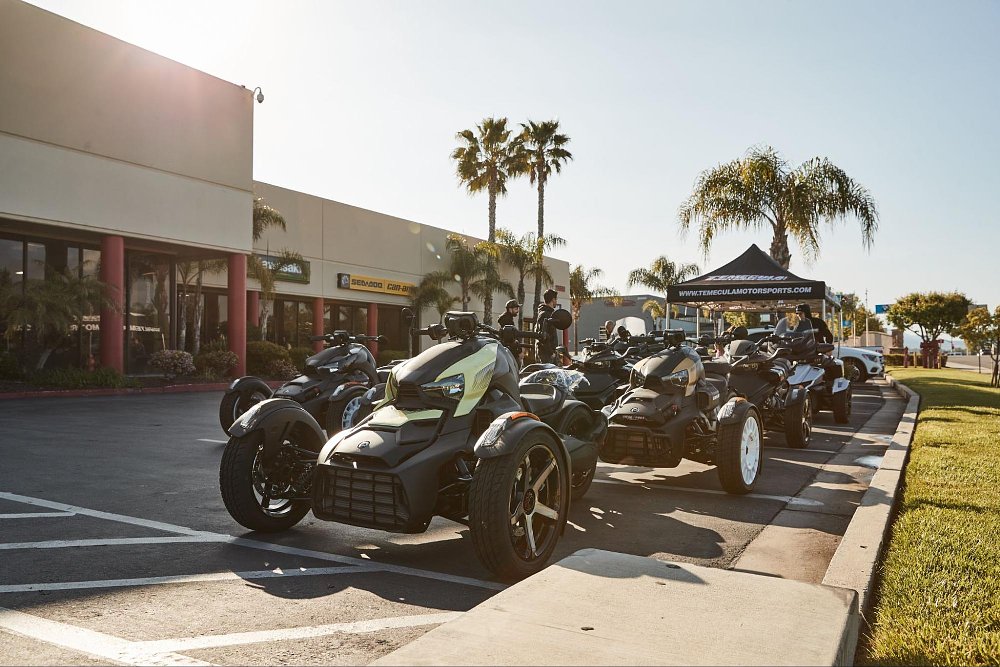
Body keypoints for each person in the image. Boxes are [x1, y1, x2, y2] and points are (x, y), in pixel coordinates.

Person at [534, 289, 561, 364]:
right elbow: (542, 336)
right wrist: (551, 352)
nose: (556, 301)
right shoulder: (545, 314)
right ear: (553, 299)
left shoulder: (548, 313)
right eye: (556, 299)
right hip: (546, 354)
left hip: (549, 353)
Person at [497, 299, 522, 364]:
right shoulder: (507, 320)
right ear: (510, 309)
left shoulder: (507, 318)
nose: (517, 311)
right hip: (509, 349)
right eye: (516, 309)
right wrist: (519, 351)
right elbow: (511, 338)